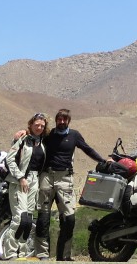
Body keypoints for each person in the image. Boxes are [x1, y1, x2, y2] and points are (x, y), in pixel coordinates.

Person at [34, 109, 109, 261]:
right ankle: (42, 255)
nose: (61, 122)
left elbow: (87, 149)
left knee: (69, 218)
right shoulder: (49, 134)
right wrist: (22, 133)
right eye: (59, 119)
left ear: (69, 121)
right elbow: (34, 135)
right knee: (43, 217)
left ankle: (64, 256)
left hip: (65, 179)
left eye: (64, 119)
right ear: (56, 120)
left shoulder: (74, 135)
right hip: (46, 177)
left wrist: (103, 161)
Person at [0, 112, 48, 259]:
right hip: (19, 181)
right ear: (31, 125)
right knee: (19, 218)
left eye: (42, 125)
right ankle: (10, 253)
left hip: (34, 181)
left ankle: (21, 253)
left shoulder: (42, 142)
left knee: (27, 219)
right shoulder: (23, 139)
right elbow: (10, 159)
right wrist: (20, 177)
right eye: (36, 125)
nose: (39, 127)